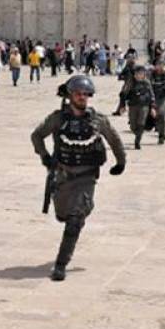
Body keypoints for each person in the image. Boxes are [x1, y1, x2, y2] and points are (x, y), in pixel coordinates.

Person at [31, 75, 126, 281]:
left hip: (86, 176)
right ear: (69, 96)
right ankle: (78, 212)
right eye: (77, 94)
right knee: (63, 215)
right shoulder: (57, 119)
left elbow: (114, 139)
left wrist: (121, 162)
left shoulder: (97, 120)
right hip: (63, 175)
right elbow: (37, 135)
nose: (82, 97)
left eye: (85, 94)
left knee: (75, 218)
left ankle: (60, 264)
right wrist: (45, 157)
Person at [126, 64, 155, 150]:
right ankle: (137, 134)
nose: (139, 75)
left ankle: (137, 141)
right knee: (133, 126)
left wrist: (153, 107)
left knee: (141, 123)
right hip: (133, 106)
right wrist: (122, 105)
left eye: (141, 73)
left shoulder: (147, 83)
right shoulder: (130, 82)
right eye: (137, 73)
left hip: (144, 106)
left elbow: (151, 94)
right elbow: (124, 93)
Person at [149, 61, 165, 145]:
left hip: (164, 97)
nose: (160, 67)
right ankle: (160, 131)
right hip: (153, 98)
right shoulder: (151, 75)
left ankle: (161, 136)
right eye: (158, 65)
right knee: (155, 116)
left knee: (161, 114)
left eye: (162, 65)